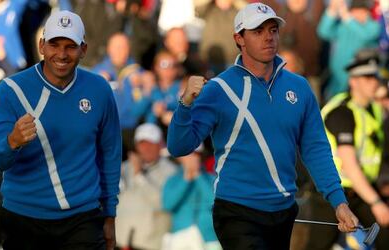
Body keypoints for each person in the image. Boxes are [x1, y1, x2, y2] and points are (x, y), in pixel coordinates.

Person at [166, 2, 359, 249]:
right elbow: (179, 146)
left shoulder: (299, 87)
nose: (268, 37)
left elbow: (316, 150)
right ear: (239, 38)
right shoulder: (218, 89)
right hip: (236, 211)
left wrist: (339, 202)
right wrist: (184, 105)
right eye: (258, 32)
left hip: (284, 211)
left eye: (273, 30)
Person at [0, 10, 122, 250]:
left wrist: (109, 214)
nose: (61, 54)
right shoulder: (11, 89)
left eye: (70, 46)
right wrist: (12, 141)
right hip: (25, 218)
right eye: (54, 44)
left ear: (84, 50)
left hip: (83, 218)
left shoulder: (100, 89)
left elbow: (110, 155)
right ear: (41, 45)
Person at [304, 49, 389, 250]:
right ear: (353, 81)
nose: (374, 81)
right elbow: (349, 166)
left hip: (362, 190)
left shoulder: (374, 109)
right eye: (367, 77)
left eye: (375, 76)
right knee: (317, 245)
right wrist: (377, 203)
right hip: (333, 193)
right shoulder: (342, 111)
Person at [115, 123, 177, 250]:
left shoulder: (172, 172)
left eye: (151, 143)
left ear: (160, 145)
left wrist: (139, 176)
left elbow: (163, 203)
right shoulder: (124, 168)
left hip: (151, 243)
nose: (146, 148)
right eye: (142, 143)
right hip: (120, 241)